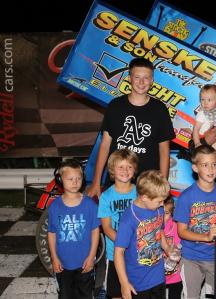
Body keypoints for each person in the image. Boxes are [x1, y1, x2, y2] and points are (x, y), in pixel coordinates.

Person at [87, 57, 175, 198]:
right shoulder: (115, 106)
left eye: (146, 78)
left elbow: (164, 150)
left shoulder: (160, 109)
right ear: (129, 78)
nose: (141, 82)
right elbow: (104, 145)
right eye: (137, 77)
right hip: (117, 182)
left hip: (148, 184)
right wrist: (96, 181)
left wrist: (163, 184)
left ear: (152, 80)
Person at [174, 145, 216, 299]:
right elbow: (181, 231)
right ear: (195, 168)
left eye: (214, 164)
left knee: (214, 295)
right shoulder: (186, 197)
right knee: (191, 296)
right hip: (191, 258)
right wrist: (206, 237)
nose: (210, 169)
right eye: (205, 165)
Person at [114, 170, 172, 299]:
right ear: (144, 197)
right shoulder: (128, 218)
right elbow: (118, 252)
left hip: (158, 277)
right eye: (159, 201)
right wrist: (124, 283)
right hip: (138, 282)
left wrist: (167, 248)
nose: (162, 204)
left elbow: (160, 230)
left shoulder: (159, 209)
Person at [47, 159, 100, 299]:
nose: (75, 182)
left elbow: (95, 232)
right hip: (63, 264)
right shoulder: (54, 207)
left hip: (85, 263)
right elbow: (51, 234)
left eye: (78, 178)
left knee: (86, 295)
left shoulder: (90, 205)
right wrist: (54, 258)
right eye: (70, 179)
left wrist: (91, 257)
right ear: (60, 180)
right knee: (65, 295)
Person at [97, 149, 138, 299]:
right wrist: (126, 242)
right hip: (114, 253)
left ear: (134, 169)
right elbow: (107, 228)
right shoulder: (106, 197)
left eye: (129, 167)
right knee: (116, 293)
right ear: (112, 170)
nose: (125, 171)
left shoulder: (140, 193)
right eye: (120, 167)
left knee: (136, 291)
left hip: (138, 254)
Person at [193, 84, 216, 161]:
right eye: (202, 99)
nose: (205, 103)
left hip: (215, 137)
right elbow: (195, 130)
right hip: (202, 137)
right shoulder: (202, 113)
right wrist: (197, 143)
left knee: (213, 155)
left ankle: (211, 164)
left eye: (209, 100)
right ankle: (212, 165)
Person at [163, 196, 183, 299]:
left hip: (175, 273)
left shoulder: (175, 225)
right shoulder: (150, 225)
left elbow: (181, 245)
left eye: (166, 213)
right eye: (160, 212)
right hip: (157, 273)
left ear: (171, 213)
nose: (162, 217)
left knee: (175, 294)